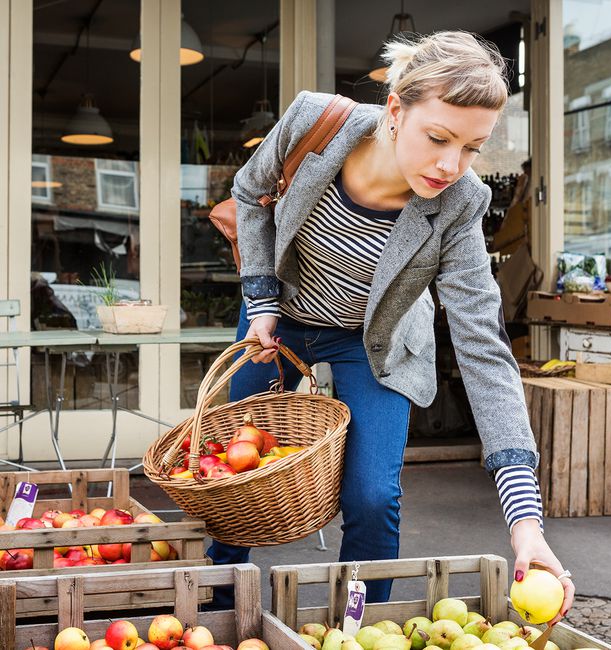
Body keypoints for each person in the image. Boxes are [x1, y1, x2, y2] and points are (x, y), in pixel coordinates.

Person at [207, 31, 575, 620]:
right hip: (277, 318)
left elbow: (483, 346)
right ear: (397, 111)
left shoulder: (461, 203)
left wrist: (525, 523)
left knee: (373, 497)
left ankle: (360, 624)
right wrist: (260, 299)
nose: (450, 165)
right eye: (438, 138)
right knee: (231, 473)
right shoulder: (315, 121)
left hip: (375, 341)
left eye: (473, 148)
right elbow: (250, 194)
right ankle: (219, 607)